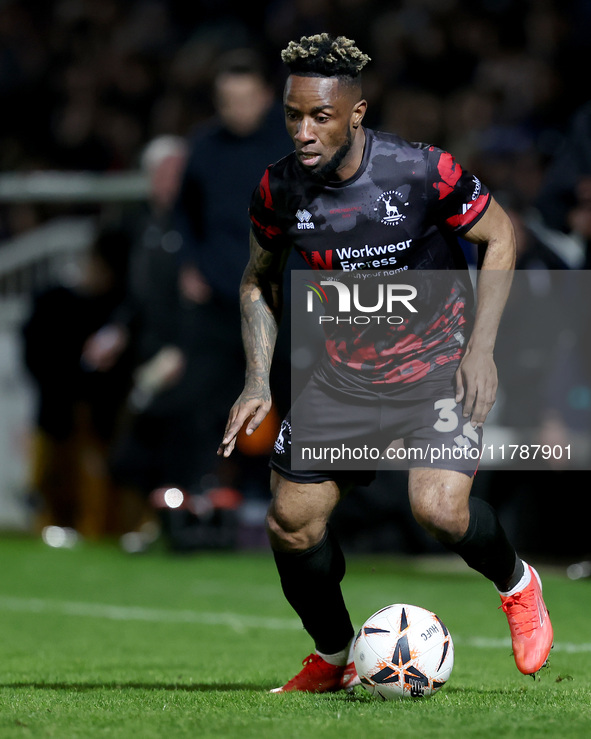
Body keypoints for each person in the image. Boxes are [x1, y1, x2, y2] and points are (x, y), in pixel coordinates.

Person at [218, 33, 553, 693]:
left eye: (320, 116)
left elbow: (500, 235)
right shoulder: (278, 189)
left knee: (438, 508)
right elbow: (257, 279)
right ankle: (335, 654)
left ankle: (517, 582)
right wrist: (257, 376)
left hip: (436, 368)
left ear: (356, 113)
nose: (303, 130)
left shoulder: (420, 171)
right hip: (342, 377)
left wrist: (482, 348)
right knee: (291, 522)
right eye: (293, 114)